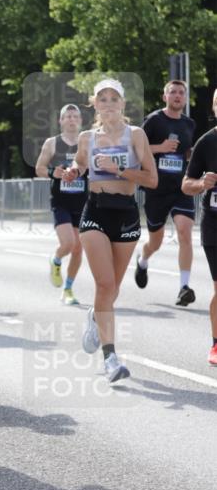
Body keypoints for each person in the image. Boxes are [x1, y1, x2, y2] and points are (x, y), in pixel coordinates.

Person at [62, 79, 157, 382]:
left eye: (113, 98)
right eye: (102, 99)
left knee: (112, 289)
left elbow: (152, 179)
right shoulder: (87, 138)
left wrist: (118, 170)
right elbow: (79, 165)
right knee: (105, 286)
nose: (108, 103)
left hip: (126, 212)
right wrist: (73, 172)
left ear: (123, 103)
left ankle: (94, 314)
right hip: (96, 212)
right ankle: (111, 359)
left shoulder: (136, 135)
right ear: (95, 104)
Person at [136, 80, 197, 306]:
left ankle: (183, 287)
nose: (177, 96)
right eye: (173, 92)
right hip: (156, 188)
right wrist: (159, 148)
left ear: (185, 97)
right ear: (165, 97)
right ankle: (143, 261)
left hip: (181, 187)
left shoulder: (189, 124)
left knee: (184, 232)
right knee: (156, 242)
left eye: (181, 92)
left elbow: (187, 153)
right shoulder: (154, 120)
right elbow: (135, 148)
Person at [35, 103, 88, 306]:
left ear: (81, 120)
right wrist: (52, 172)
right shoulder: (52, 143)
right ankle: (56, 259)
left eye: (75, 116)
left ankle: (68, 289)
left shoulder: (87, 142)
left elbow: (92, 165)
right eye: (68, 116)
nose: (72, 119)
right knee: (69, 243)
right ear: (61, 121)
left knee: (78, 249)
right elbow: (39, 168)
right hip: (61, 202)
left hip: (83, 202)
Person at [182, 88, 217, 365]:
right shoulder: (206, 143)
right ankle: (216, 344)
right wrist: (202, 184)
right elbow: (186, 184)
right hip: (214, 225)